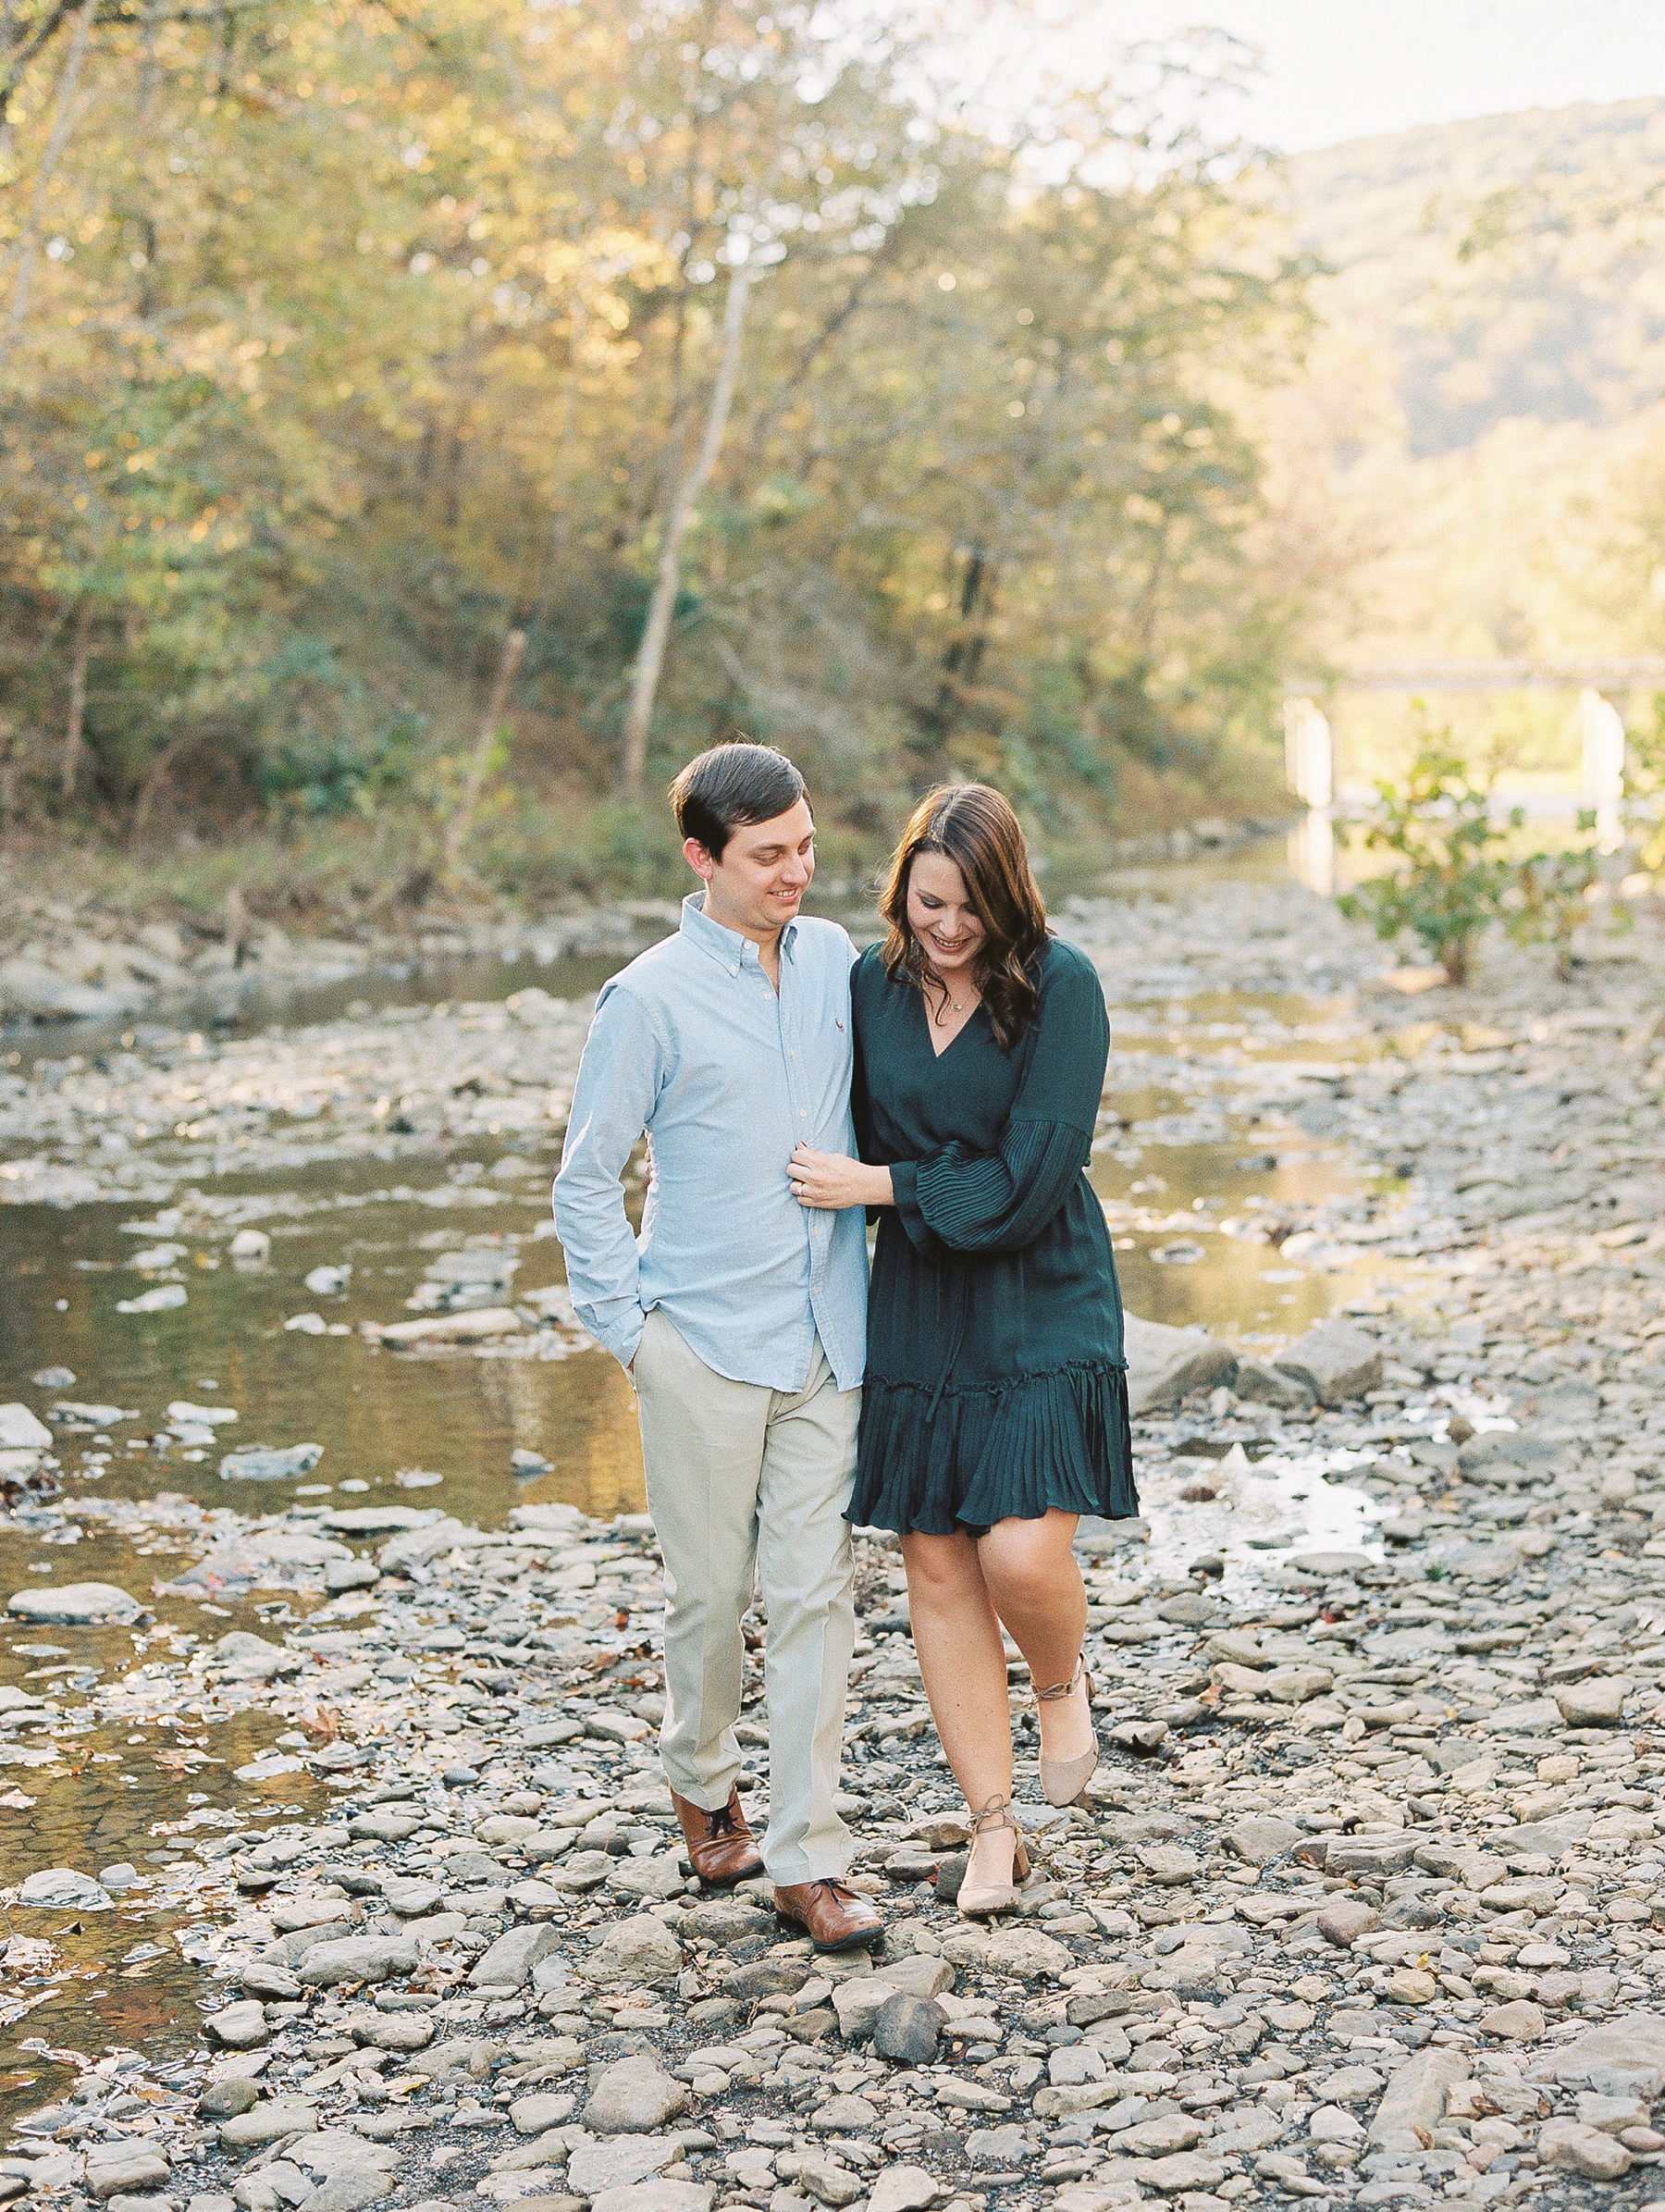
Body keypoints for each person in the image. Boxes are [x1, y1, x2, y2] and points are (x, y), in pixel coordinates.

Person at [552, 742, 882, 1952]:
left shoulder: (839, 958)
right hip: (700, 1341)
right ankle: (699, 1771)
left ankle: (807, 1860)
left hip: (826, 1336)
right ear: (702, 858)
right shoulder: (645, 997)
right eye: (769, 854)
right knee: (710, 1597)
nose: (799, 869)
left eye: (806, 844)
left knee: (815, 1600)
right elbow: (585, 1181)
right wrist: (633, 1334)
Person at [788, 784, 1137, 1917]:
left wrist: (883, 1186)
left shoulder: (1060, 988)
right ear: (902, 889)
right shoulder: (869, 989)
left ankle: (1059, 1679)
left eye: (970, 909)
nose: (946, 928)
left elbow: (1029, 1184)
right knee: (936, 1561)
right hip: (923, 1300)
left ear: (1008, 899)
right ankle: (993, 1829)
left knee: (1021, 1556)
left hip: (1040, 1285)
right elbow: (798, 1096)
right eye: (928, 901)